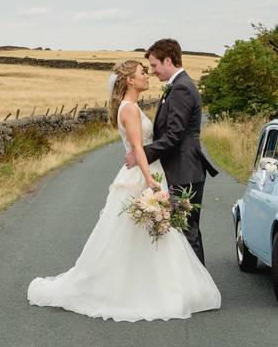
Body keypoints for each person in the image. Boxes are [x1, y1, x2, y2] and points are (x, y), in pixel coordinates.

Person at [26, 59, 221, 321]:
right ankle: (128, 290)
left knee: (149, 235)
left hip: (148, 172)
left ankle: (155, 286)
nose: (148, 75)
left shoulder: (132, 106)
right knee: (132, 235)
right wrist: (148, 180)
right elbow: (138, 149)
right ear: (129, 80)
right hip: (139, 176)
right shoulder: (128, 109)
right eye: (142, 73)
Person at [125, 38, 219, 264]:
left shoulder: (182, 88)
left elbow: (174, 137)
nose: (153, 72)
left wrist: (141, 154)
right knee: (183, 231)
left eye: (155, 65)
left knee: (187, 232)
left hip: (184, 170)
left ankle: (198, 291)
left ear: (168, 60)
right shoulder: (178, 86)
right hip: (181, 169)